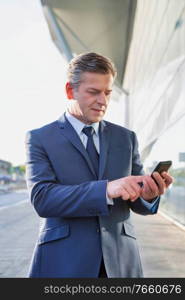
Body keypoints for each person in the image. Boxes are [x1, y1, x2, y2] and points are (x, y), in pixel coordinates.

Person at [25, 52, 173, 278]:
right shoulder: (40, 138)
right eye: (94, 92)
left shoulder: (127, 138)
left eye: (108, 92)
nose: (103, 101)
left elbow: (138, 202)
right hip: (64, 263)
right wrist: (106, 189)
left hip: (121, 262)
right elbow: (43, 199)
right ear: (69, 90)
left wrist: (149, 194)